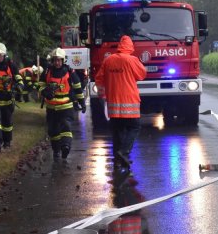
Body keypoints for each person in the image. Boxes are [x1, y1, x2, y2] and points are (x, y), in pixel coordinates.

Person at [95, 35, 147, 171]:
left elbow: (99, 79)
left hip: (113, 104)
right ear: (130, 47)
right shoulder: (132, 60)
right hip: (130, 102)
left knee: (117, 131)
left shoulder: (108, 60)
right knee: (134, 127)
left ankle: (118, 161)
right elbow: (142, 74)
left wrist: (103, 95)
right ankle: (123, 152)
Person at [38, 48, 85, 159]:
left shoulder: (69, 72)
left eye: (59, 60)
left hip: (66, 106)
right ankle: (56, 151)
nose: (57, 62)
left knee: (66, 126)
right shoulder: (47, 71)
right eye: (55, 60)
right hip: (51, 107)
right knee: (53, 131)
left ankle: (66, 147)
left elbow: (78, 88)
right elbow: (40, 85)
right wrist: (44, 92)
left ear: (63, 60)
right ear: (52, 61)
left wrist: (82, 102)